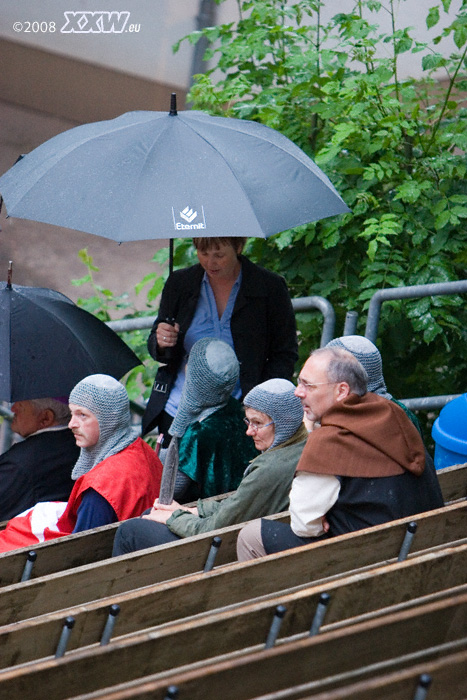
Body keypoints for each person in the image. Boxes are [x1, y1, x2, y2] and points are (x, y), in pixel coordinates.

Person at [237, 347, 444, 561]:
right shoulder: (395, 415)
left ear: (342, 391)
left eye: (308, 385)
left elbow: (305, 525)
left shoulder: (329, 441)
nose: (298, 392)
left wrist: (327, 516)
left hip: (363, 564)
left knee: (251, 536)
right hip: (422, 551)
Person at [112, 378, 308, 556]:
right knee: (150, 516)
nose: (249, 431)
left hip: (217, 552)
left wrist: (175, 517)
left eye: (258, 423)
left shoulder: (270, 469)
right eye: (248, 421)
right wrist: (190, 511)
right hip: (233, 535)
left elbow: (212, 529)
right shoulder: (301, 448)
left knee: (129, 532)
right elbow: (240, 505)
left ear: (284, 422)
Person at [142, 236, 298, 440]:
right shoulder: (180, 283)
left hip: (242, 415)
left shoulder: (269, 287)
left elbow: (284, 353)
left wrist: (261, 404)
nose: (210, 262)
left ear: (239, 247)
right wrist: (162, 341)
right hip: (179, 410)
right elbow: (159, 346)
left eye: (219, 255)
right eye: (203, 253)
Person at [0, 374, 163, 553]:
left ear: (109, 419)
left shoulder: (100, 487)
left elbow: (81, 554)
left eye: (82, 415)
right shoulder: (142, 451)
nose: (71, 424)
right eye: (72, 414)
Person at [166, 337, 258, 502]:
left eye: (190, 363)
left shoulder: (198, 432)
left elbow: (175, 489)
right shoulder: (238, 410)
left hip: (208, 513)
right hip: (242, 500)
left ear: (198, 380)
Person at [0, 398, 78, 521]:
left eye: (20, 406)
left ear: (46, 418)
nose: (12, 409)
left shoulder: (18, 464)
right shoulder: (83, 446)